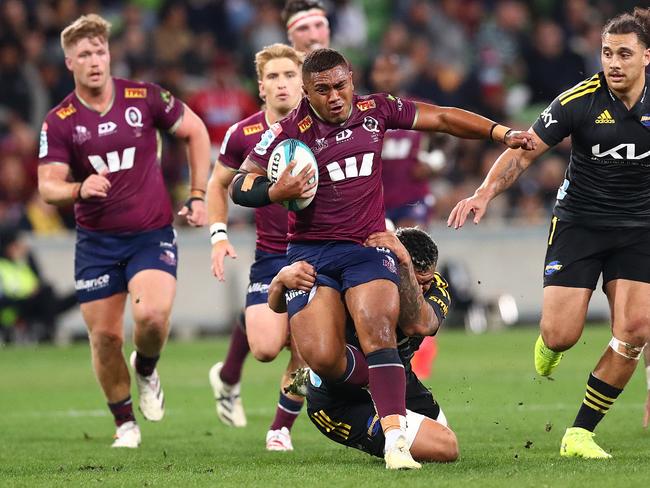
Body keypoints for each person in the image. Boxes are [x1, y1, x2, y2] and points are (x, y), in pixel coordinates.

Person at [230, 47, 534, 469]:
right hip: (310, 255)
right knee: (321, 356)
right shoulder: (287, 131)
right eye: (323, 90)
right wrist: (274, 192)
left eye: (341, 86)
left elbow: (443, 118)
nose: (335, 96)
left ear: (352, 79)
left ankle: (395, 440)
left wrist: (500, 133)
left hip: (365, 246)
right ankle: (371, 390)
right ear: (306, 91)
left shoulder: (376, 110)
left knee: (378, 328)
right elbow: (239, 185)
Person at [448, 7, 650, 459]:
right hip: (579, 224)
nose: (613, 62)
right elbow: (523, 154)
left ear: (647, 57)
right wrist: (484, 193)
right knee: (561, 334)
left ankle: (580, 432)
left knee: (634, 329)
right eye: (606, 53)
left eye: (624, 53)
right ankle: (551, 344)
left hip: (640, 228)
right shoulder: (578, 100)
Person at [37, 14, 210, 448]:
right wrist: (78, 187)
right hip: (96, 244)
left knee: (150, 316)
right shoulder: (60, 120)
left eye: (100, 51)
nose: (95, 60)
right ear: (69, 63)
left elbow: (196, 131)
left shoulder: (143, 97)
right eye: (84, 55)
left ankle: (147, 368)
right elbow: (47, 185)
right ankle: (125, 424)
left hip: (150, 233)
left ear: (109, 54)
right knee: (106, 337)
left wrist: (198, 193)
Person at [207, 0, 332, 450]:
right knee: (265, 346)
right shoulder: (242, 133)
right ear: (261, 87)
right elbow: (219, 185)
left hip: (317, 253)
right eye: (273, 77)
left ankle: (280, 428)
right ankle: (232, 368)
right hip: (270, 257)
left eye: (289, 76)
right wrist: (218, 235)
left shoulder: (327, 125)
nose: (282, 84)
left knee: (306, 346)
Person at [268, 227, 458, 464]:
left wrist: (408, 267)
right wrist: (278, 282)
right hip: (341, 402)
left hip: (398, 378)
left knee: (445, 438)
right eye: (416, 281)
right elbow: (281, 305)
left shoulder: (435, 285)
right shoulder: (361, 280)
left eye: (425, 282)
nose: (421, 289)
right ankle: (285, 419)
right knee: (445, 446)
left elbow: (420, 325)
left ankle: (308, 379)